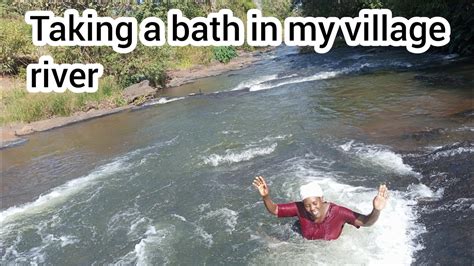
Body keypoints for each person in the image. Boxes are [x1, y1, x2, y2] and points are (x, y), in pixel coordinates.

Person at [252, 176, 389, 240]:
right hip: (300, 234)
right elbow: (275, 210)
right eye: (307, 205)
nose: (312, 208)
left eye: (315, 203)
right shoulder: (300, 208)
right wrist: (266, 197)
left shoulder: (338, 212)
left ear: (321, 199)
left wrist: (376, 210)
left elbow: (366, 222)